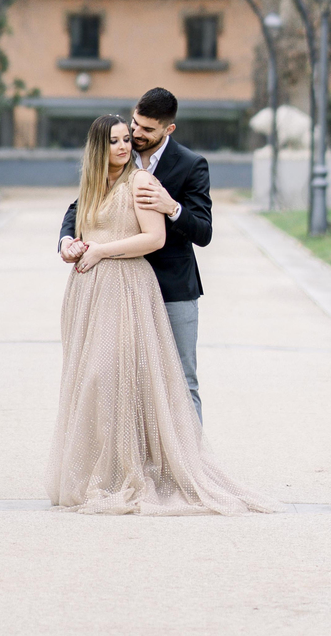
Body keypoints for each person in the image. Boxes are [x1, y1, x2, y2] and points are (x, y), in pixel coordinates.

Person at [46, 112, 272, 515]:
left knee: (131, 376)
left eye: (126, 139)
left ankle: (178, 467)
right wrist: (71, 243)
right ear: (98, 147)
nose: (124, 144)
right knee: (91, 379)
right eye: (115, 139)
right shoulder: (95, 184)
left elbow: (156, 237)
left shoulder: (143, 180)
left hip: (130, 288)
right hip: (91, 293)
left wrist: (101, 250)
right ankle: (109, 471)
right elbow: (76, 217)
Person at [59, 86, 210, 418]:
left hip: (172, 288)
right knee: (127, 381)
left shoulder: (190, 165)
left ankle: (189, 462)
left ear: (168, 129)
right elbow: (79, 205)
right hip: (120, 290)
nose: (134, 135)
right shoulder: (112, 162)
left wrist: (172, 208)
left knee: (182, 381)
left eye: (145, 130)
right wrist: (67, 239)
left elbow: (204, 231)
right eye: (133, 126)